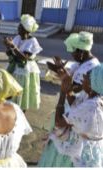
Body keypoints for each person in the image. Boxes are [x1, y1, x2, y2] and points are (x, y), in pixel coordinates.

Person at [38, 32, 100, 167]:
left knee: (65, 151)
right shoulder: (82, 63)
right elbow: (72, 84)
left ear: (81, 51)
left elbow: (75, 88)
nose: (71, 55)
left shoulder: (92, 69)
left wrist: (64, 86)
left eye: (73, 52)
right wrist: (61, 71)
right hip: (72, 111)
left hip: (75, 119)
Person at [50, 63, 103, 167]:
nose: (83, 78)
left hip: (84, 156)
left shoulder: (91, 106)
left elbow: (59, 122)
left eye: (86, 77)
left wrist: (62, 93)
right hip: (95, 150)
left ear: (94, 84)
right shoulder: (97, 98)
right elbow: (76, 107)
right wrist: (68, 90)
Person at [3, 14, 43, 112]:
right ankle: (11, 111)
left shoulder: (32, 41)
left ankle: (21, 114)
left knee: (22, 95)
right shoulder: (17, 38)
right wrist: (8, 47)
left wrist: (12, 46)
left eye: (20, 26)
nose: (18, 28)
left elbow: (24, 57)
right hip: (14, 68)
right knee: (11, 92)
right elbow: (10, 54)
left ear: (26, 29)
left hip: (25, 71)